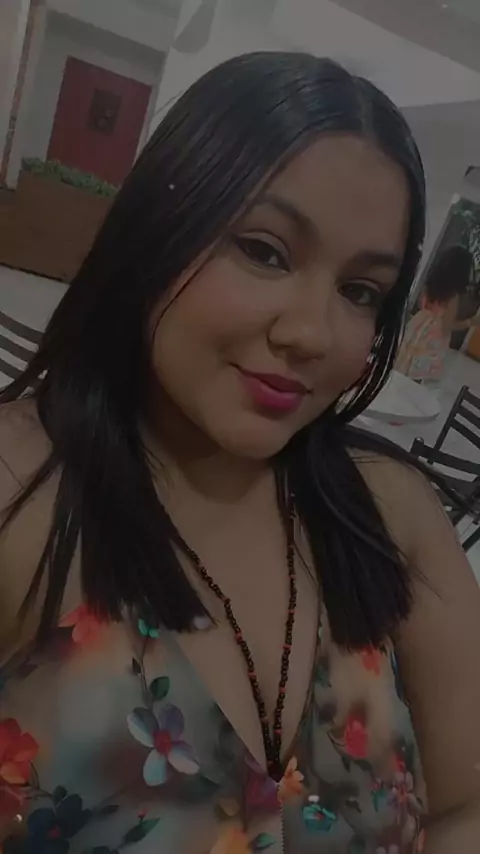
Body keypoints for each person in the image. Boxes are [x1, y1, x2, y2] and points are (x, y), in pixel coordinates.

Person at [0, 52, 479, 854]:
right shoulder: (24, 493)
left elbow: (468, 804)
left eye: (360, 291)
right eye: (265, 250)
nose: (312, 334)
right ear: (158, 227)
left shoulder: (388, 511)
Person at [396, 245, 480, 382]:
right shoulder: (453, 296)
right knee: (419, 375)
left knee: (404, 364)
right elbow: (447, 325)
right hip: (434, 337)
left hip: (418, 326)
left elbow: (422, 306)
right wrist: (471, 322)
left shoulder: (429, 284)